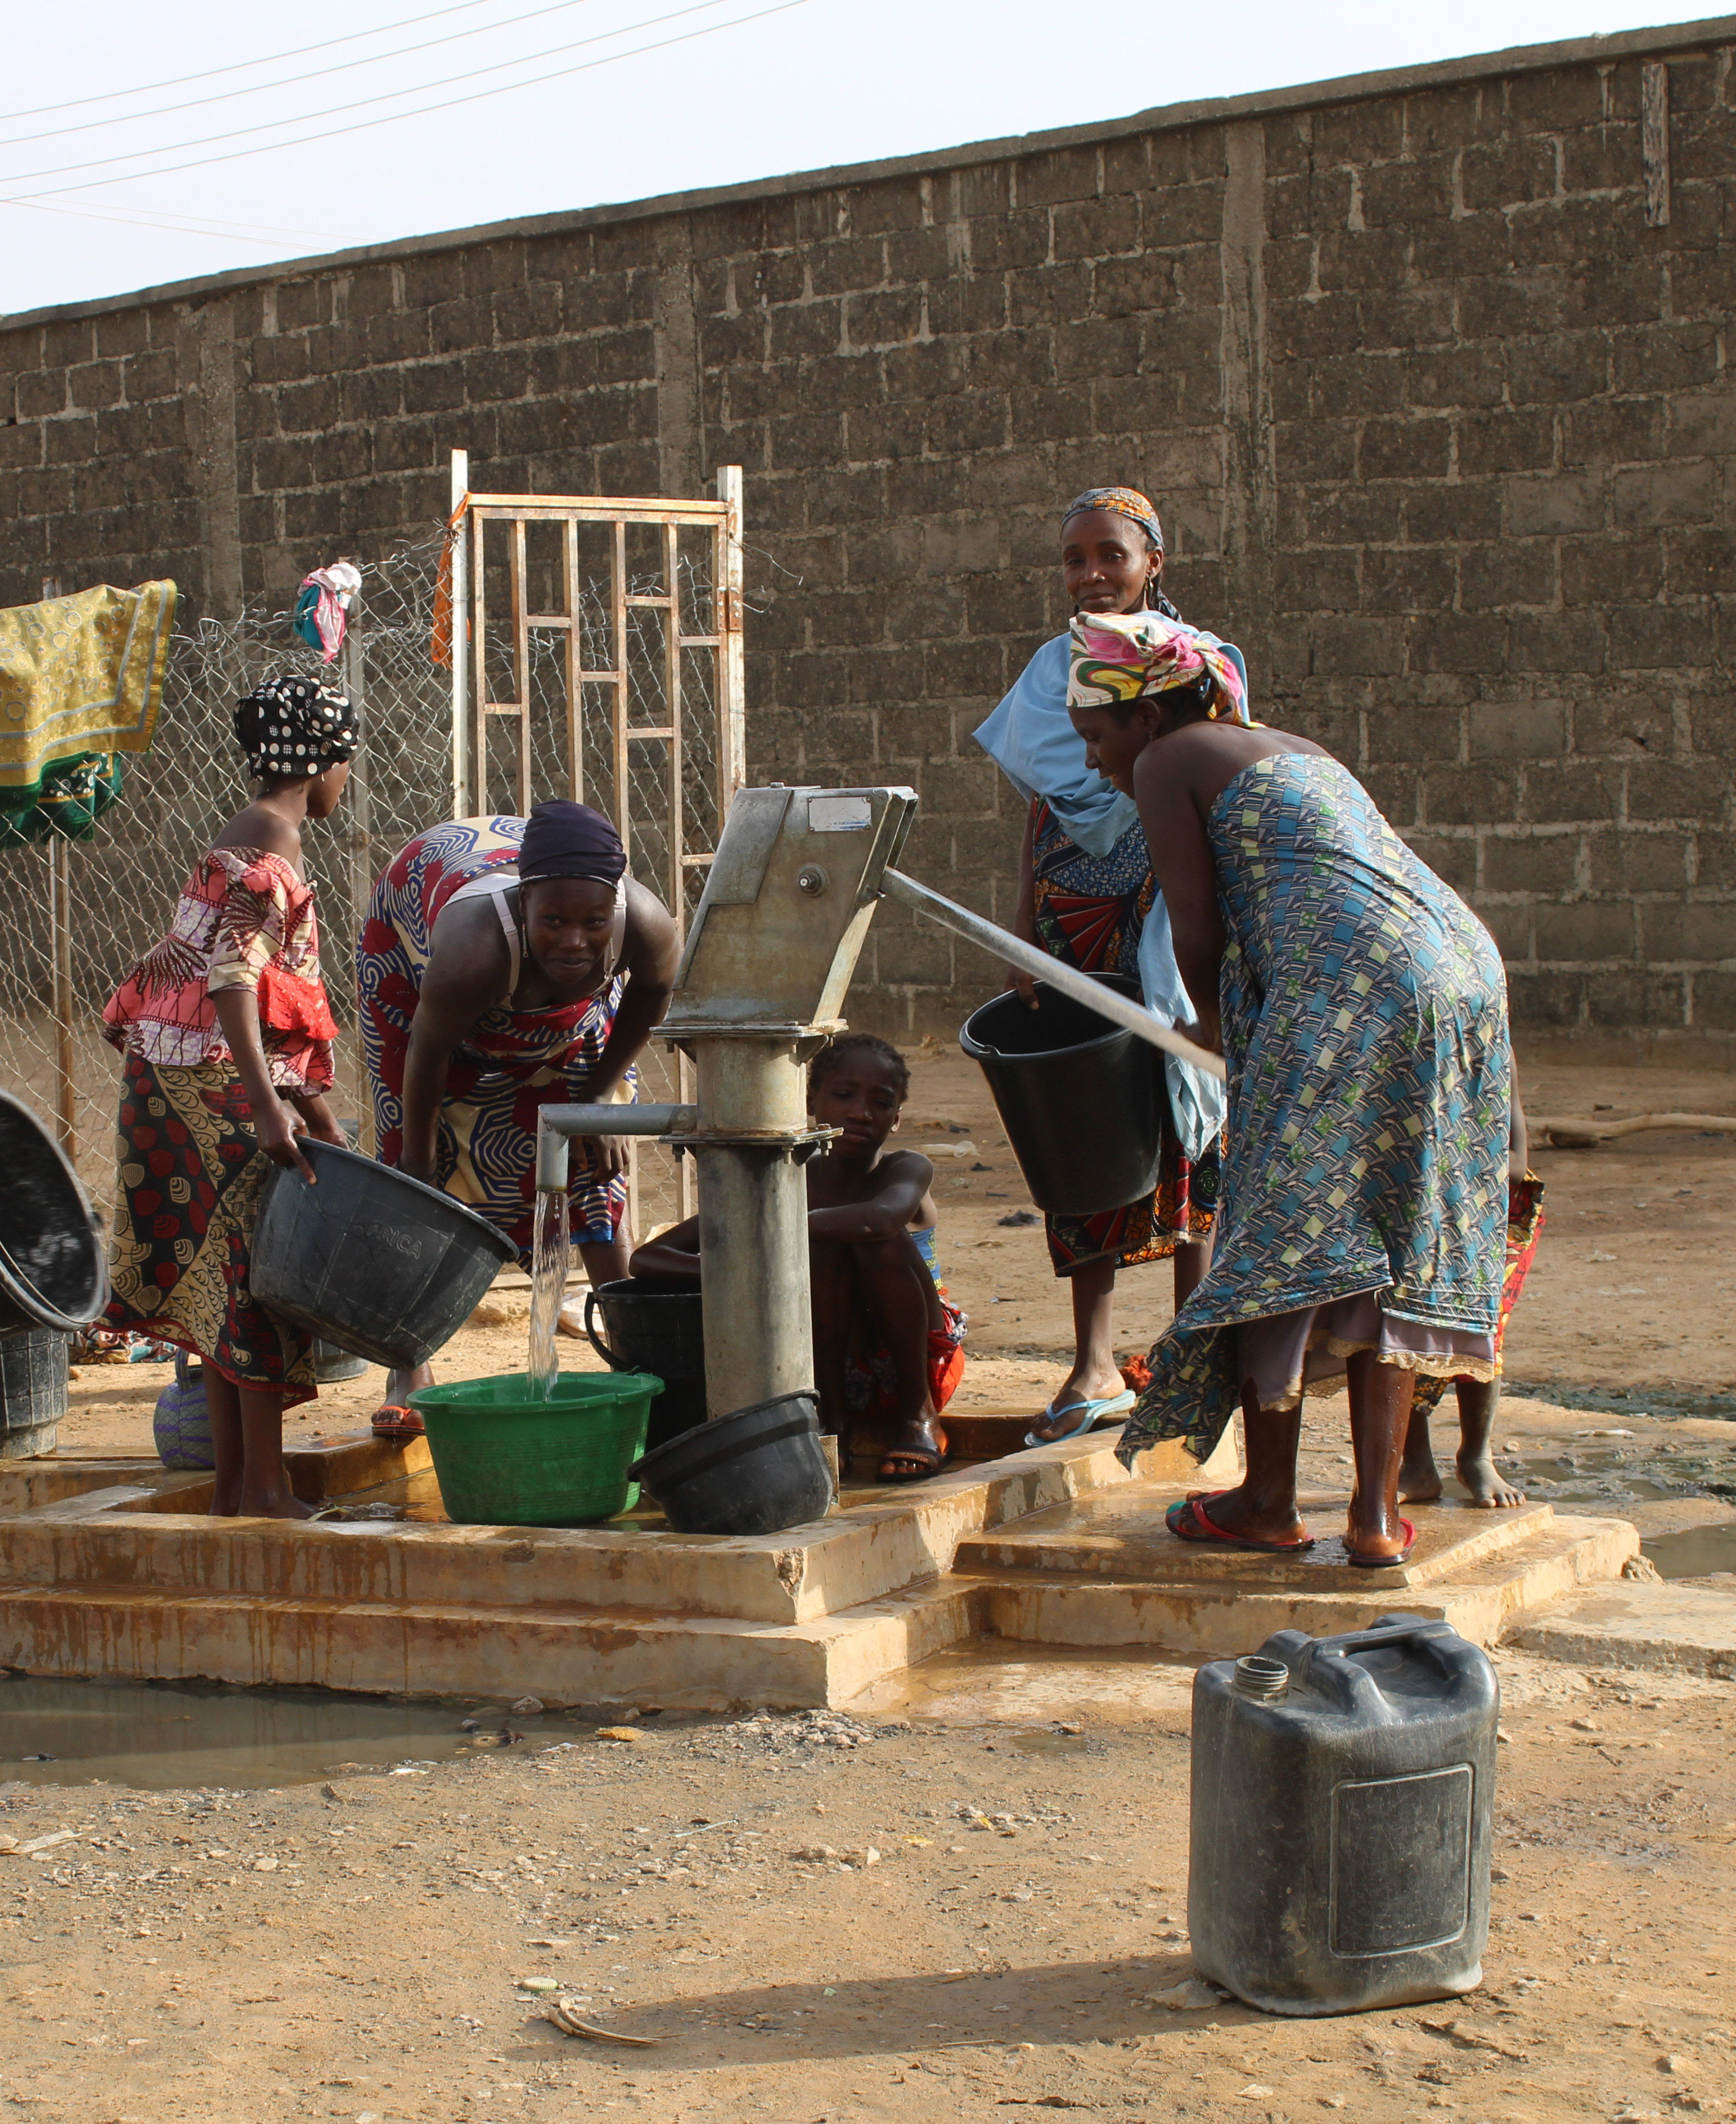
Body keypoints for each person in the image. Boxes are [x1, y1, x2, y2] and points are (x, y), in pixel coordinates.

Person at [1070, 612, 1515, 1571]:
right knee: (1390, 1235)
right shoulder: (1294, 749)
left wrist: (1206, 1033)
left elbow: (1198, 929)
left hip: (1349, 984)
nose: (1097, 762)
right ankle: (1372, 1517)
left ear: (1145, 715)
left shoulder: (1168, 760)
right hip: (1460, 970)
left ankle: (1269, 1501)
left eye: (1096, 737)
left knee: (1280, 1230)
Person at [972, 487, 1231, 1447]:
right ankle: (1091, 1359)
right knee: (1078, 1120)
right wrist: (1023, 927)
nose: (1090, 575)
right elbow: (1044, 806)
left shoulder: (1196, 664)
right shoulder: (1052, 674)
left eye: (1109, 556)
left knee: (1187, 1110)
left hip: (1171, 911)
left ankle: (1190, 1343)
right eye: (1074, 558)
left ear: (1152, 562)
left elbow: (1213, 784)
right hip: (1075, 915)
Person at [101, 676, 359, 1517]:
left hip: (163, 1081)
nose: (344, 786)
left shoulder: (235, 839)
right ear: (322, 761)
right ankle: (268, 1490)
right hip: (213, 1092)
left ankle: (233, 1489)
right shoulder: (274, 855)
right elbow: (234, 984)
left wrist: (312, 1107)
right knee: (256, 1281)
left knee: (218, 1284)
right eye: (345, 768)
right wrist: (265, 1105)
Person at [355, 799, 683, 1437]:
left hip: (568, 1017)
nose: (574, 940)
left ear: (615, 905)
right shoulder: (474, 947)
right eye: (553, 920)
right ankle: (409, 1365)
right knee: (418, 1170)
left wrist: (595, 1098)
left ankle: (629, 1352)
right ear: (526, 901)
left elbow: (652, 994)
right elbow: (426, 1054)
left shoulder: (642, 923)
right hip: (417, 938)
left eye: (592, 921)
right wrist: (419, 1170)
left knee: (594, 1158)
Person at [631, 1031, 964, 1483]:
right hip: (823, 1368)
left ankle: (919, 1418)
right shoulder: (790, 1178)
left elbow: (882, 1219)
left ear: (897, 1119)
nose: (861, 1113)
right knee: (818, 1243)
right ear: (811, 1102)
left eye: (881, 1103)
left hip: (918, 1363)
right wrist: (742, 1269)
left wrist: (773, 1233)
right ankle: (830, 1423)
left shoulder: (905, 1168)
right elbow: (648, 1259)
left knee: (867, 1238)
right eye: (843, 1096)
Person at [1402, 1112, 1546, 1507]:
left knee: (1482, 1327)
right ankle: (1415, 1465)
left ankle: (1477, 1455)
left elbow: (1515, 1166)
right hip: (1415, 1200)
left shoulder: (1495, 1051)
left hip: (1490, 1208)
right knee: (1406, 1324)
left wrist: (1443, 1168)